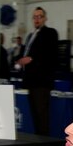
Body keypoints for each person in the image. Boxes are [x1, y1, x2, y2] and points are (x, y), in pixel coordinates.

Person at [18, 7, 58, 135]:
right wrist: (20, 60)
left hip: (42, 81)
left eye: (39, 16)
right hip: (31, 81)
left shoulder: (50, 33)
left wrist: (31, 59)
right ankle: (39, 142)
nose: (37, 19)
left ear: (45, 18)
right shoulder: (30, 35)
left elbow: (49, 54)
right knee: (35, 115)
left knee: (42, 117)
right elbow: (25, 52)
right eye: (34, 17)